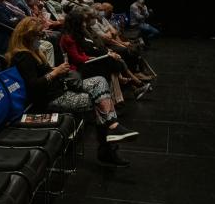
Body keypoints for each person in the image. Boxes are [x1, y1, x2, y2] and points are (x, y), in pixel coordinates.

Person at [7, 17, 138, 167]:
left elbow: (45, 75)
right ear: (27, 35)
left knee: (100, 81)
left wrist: (58, 71)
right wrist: (55, 72)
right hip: (51, 99)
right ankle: (108, 142)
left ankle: (110, 133)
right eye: (39, 35)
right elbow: (33, 85)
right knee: (101, 101)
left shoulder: (34, 52)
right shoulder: (22, 55)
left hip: (61, 89)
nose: (41, 38)